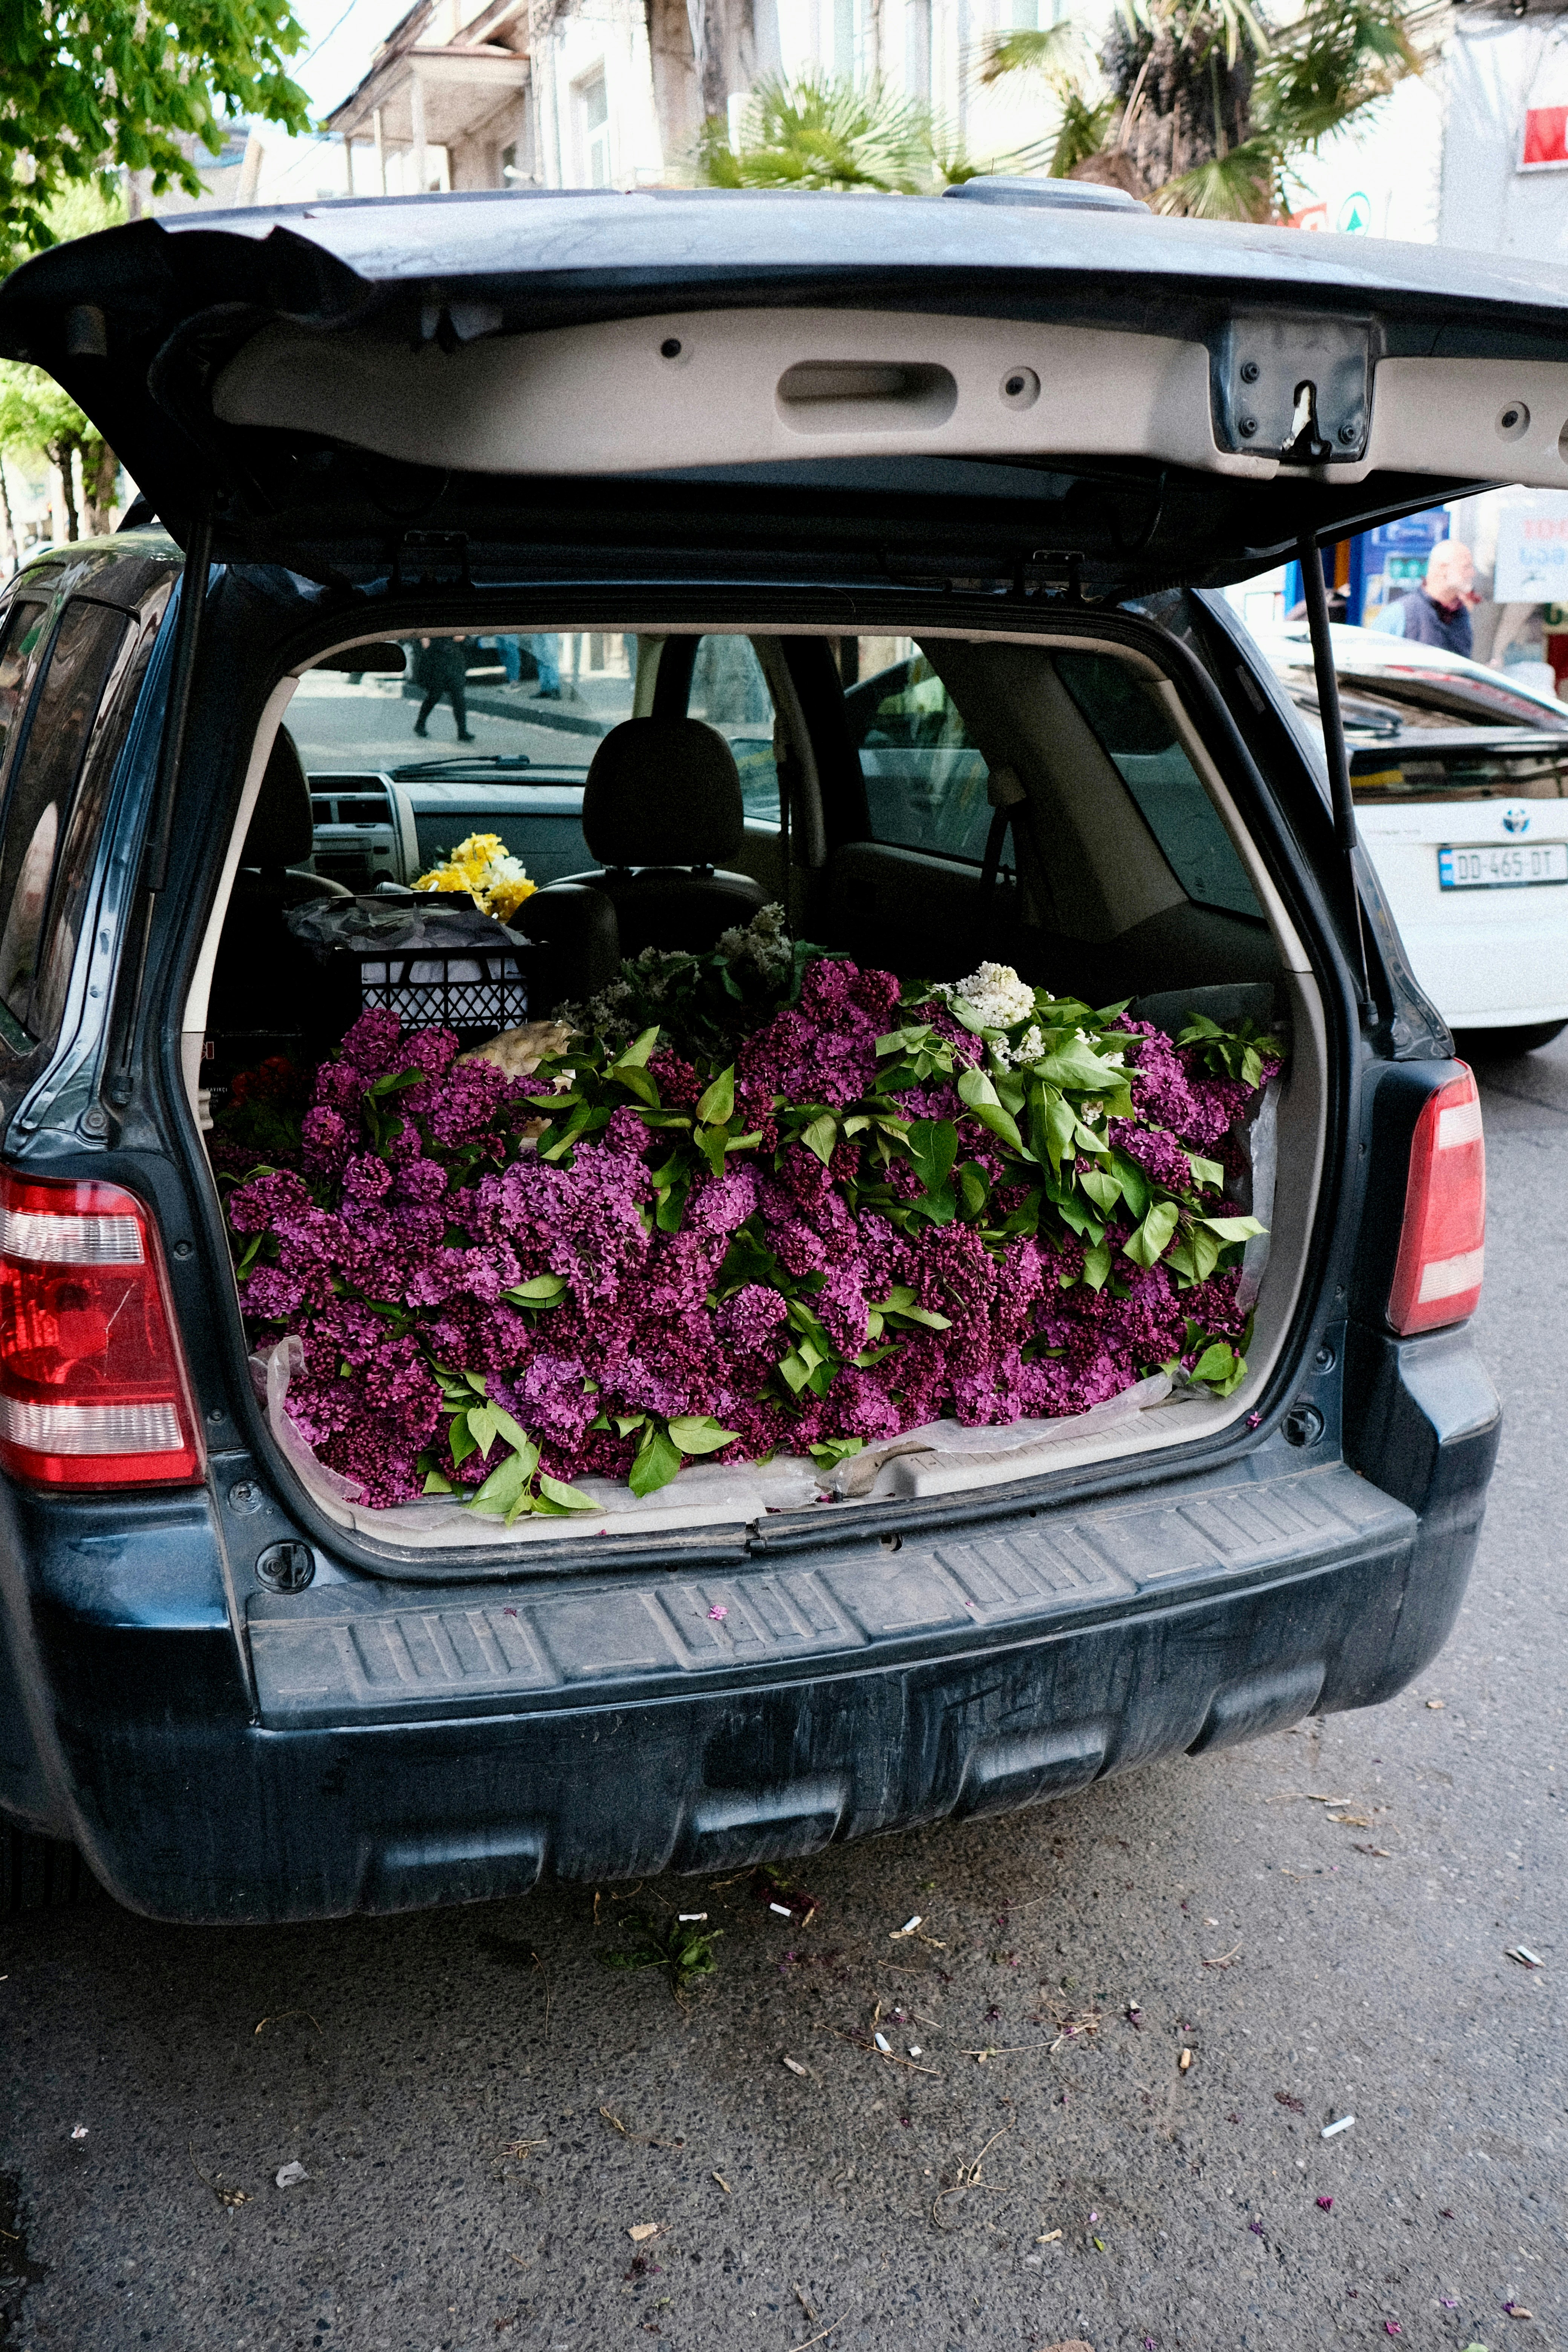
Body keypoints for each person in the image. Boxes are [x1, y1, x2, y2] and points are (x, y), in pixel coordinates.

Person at [1397, 540, 1480, 656]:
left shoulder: (1461, 614)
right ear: (1443, 568)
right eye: (1466, 567)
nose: (1473, 573)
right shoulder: (1402, 612)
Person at [412, 635, 474, 739]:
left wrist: (463, 636)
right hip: (437, 661)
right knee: (435, 695)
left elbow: (466, 638)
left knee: (458, 696)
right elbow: (424, 640)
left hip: (455, 660)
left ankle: (462, 731)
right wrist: (424, 637)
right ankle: (420, 724)